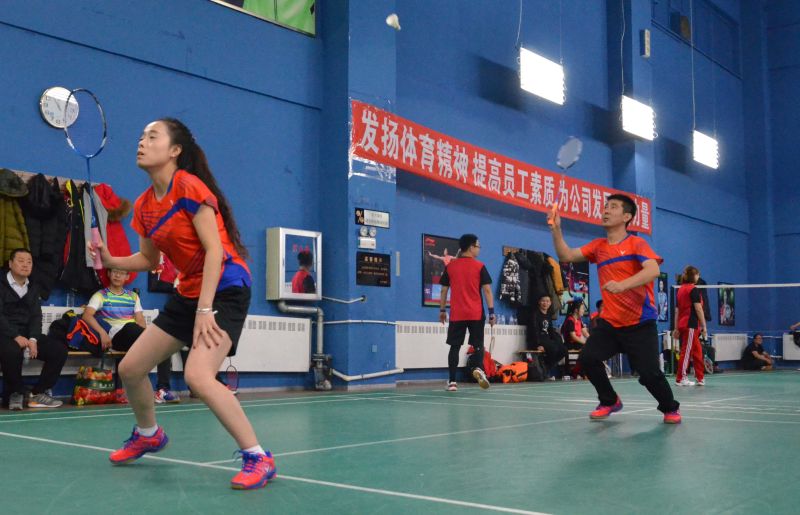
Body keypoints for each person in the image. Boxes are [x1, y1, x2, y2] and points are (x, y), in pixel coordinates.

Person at [90, 118, 273, 490]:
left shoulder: (189, 187)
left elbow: (214, 250)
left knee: (198, 377)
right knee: (131, 368)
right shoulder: (144, 206)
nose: (142, 142)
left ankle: (258, 457)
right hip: (189, 292)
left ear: (175, 150)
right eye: (141, 136)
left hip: (225, 287)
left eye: (152, 136)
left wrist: (204, 310)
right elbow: (148, 260)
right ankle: (149, 435)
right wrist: (110, 259)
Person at [548, 194, 681, 424]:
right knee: (588, 358)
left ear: (627, 217)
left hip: (640, 322)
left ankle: (670, 407)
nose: (606, 210)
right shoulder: (598, 246)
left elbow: (653, 271)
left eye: (613, 207)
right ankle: (609, 400)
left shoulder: (636, 243)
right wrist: (556, 229)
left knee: (649, 373)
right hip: (610, 322)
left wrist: (622, 285)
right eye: (605, 206)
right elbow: (566, 255)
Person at [82, 269, 179, 404]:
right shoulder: (100, 295)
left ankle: (162, 390)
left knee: (162, 343)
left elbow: (140, 320)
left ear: (127, 276)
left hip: (134, 336)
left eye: (121, 273)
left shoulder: (133, 296)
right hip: (115, 337)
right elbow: (87, 315)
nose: (117, 275)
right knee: (130, 327)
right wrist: (102, 333)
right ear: (109, 274)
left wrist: (148, 338)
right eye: (114, 272)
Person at [0, 248, 67, 409]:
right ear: (10, 264)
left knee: (58, 350)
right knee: (12, 350)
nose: (25, 265)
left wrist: (33, 339)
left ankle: (38, 393)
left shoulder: (33, 286)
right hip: (4, 333)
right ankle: (15, 393)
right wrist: (15, 336)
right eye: (21, 261)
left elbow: (36, 316)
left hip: (26, 333)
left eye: (29, 262)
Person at [438, 234, 496, 391]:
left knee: (454, 346)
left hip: (457, 314)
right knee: (478, 345)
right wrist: (491, 313)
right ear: (471, 247)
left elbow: (443, 290)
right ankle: (478, 368)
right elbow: (487, 290)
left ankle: (452, 382)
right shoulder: (480, 266)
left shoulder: (450, 267)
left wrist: (442, 310)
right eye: (478, 246)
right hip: (475, 313)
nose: (479, 249)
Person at [672, 265, 708, 386]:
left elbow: (677, 311)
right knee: (686, 351)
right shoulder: (693, 290)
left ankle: (700, 377)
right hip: (690, 325)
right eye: (698, 274)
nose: (699, 276)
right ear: (694, 276)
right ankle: (681, 378)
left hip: (684, 324)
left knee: (697, 351)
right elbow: (698, 309)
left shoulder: (681, 289)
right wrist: (704, 326)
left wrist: (676, 328)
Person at [526, 293, 566, 380]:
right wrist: (538, 345)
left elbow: (550, 330)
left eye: (547, 301)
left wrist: (558, 341)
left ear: (550, 303)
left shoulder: (548, 315)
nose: (545, 303)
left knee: (563, 350)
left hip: (547, 339)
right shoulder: (535, 314)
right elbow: (534, 331)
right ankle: (544, 369)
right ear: (539, 302)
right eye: (543, 301)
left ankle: (546, 366)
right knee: (553, 349)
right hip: (538, 339)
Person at [561, 299, 589, 379]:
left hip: (577, 343)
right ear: (576, 310)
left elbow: (585, 332)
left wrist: (591, 340)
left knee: (589, 349)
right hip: (569, 344)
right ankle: (578, 372)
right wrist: (585, 343)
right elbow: (573, 337)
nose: (583, 311)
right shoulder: (570, 320)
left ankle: (579, 371)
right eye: (582, 309)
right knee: (586, 349)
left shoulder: (579, 320)